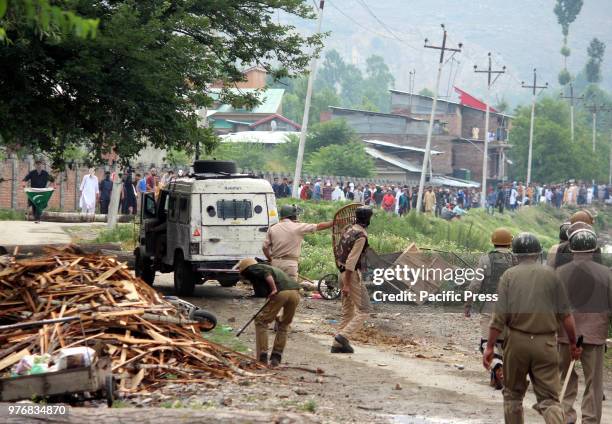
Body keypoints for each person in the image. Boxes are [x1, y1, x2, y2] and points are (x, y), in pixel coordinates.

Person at [483, 232, 581, 424]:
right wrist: (572, 343)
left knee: (512, 396)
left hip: (517, 342)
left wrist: (489, 347)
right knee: (549, 400)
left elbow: (499, 317)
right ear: (538, 253)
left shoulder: (509, 276)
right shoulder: (552, 276)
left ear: (516, 254)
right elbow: (566, 316)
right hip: (545, 344)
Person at [556, 228, 612, 424]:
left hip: (565, 335)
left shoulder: (560, 273)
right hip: (595, 335)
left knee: (565, 377)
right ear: (594, 249)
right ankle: (590, 420)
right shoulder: (606, 274)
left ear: (571, 248)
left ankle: (565, 416)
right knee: (593, 383)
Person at [465, 228, 515, 390]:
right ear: (510, 242)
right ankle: (500, 375)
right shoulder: (516, 260)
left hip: (489, 307)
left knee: (486, 344)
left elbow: (475, 284)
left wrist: (468, 303)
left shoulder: (485, 259)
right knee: (504, 344)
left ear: (493, 241)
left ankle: (496, 367)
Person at [237, 258, 301, 367]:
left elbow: (266, 275)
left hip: (280, 292)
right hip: (295, 293)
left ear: (245, 267)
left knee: (260, 321)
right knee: (284, 324)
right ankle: (276, 356)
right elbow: (264, 293)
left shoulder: (254, 268)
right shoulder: (269, 267)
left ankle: (262, 357)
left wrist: (273, 289)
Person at [331, 206, 373, 354]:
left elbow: (340, 252)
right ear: (368, 219)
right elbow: (351, 262)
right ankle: (343, 336)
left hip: (341, 273)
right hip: (351, 275)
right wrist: (348, 284)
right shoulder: (361, 236)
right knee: (365, 309)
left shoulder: (348, 229)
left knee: (347, 310)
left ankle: (337, 344)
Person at [262, 205, 332, 281]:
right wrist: (333, 222)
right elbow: (319, 226)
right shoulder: (298, 227)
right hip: (290, 264)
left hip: (275, 263)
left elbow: (265, 247)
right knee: (290, 289)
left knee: (277, 287)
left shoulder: (272, 228)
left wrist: (270, 259)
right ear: (293, 216)